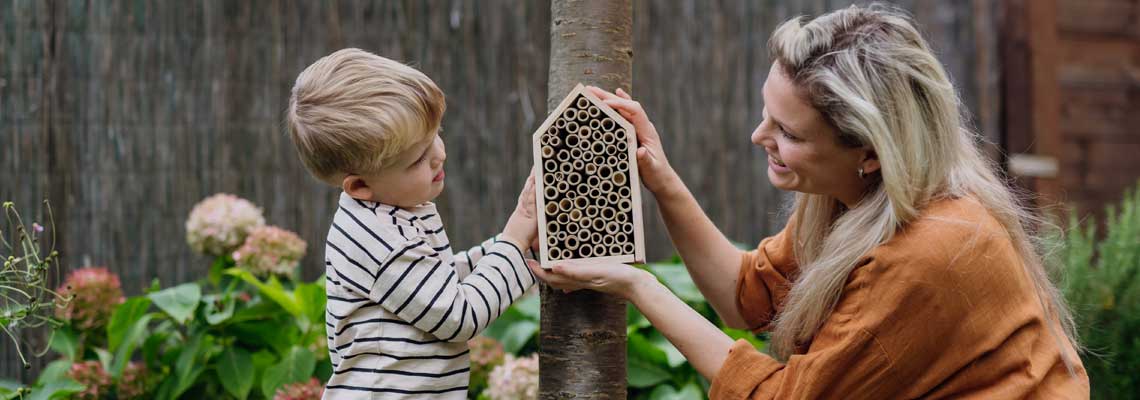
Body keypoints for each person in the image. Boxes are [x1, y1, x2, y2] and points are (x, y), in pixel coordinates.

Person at [530, 5, 1089, 399]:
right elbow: (747, 297)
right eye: (766, 114)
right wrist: (662, 179)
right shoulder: (853, 198)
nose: (758, 137)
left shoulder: (930, 253)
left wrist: (638, 285)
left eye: (789, 133)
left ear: (870, 152)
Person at [286, 48, 538, 399]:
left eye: (436, 133)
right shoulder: (380, 238)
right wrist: (514, 239)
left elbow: (438, 281)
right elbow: (459, 316)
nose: (439, 153)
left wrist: (524, 253)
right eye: (418, 157)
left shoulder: (386, 213)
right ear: (360, 186)